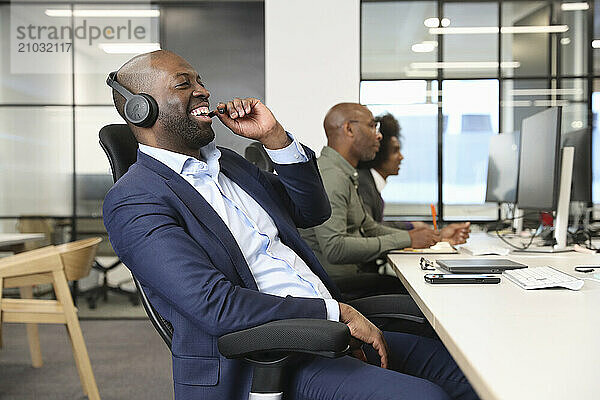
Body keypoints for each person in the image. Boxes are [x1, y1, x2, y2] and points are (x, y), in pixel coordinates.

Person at [103, 50, 478, 400]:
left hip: (328, 331)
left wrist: (274, 138)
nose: (203, 90)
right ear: (141, 109)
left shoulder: (228, 165)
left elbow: (312, 211)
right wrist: (337, 314)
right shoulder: (136, 199)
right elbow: (215, 306)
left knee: (471, 371)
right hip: (267, 356)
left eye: (199, 81)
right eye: (184, 84)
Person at [301, 103, 443, 281]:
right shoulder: (331, 177)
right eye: (371, 125)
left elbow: (370, 228)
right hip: (339, 287)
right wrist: (407, 239)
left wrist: (421, 237)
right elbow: (334, 248)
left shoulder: (345, 174)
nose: (379, 134)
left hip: (352, 278)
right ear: (349, 129)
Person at [357, 113, 470, 246]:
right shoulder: (364, 185)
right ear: (379, 154)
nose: (401, 157)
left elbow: (377, 226)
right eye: (395, 151)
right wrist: (437, 239)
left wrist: (418, 228)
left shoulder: (371, 184)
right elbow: (371, 231)